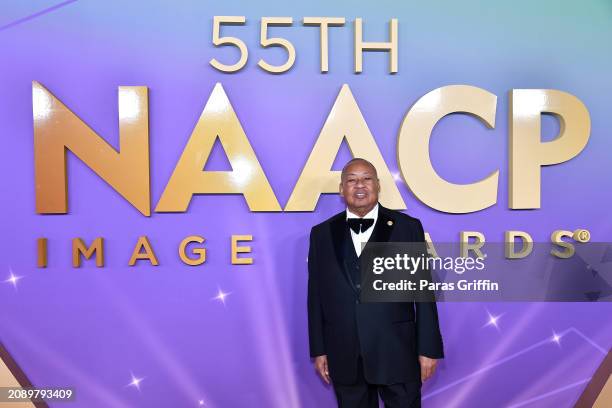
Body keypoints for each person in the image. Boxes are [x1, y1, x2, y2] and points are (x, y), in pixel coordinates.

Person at [307, 158, 444, 408]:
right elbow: (315, 295)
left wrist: (429, 348)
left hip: (397, 350)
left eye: (367, 178)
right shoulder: (321, 234)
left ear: (378, 185)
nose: (360, 185)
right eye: (352, 179)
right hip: (345, 352)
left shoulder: (407, 228)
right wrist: (319, 349)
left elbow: (424, 291)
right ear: (341, 189)